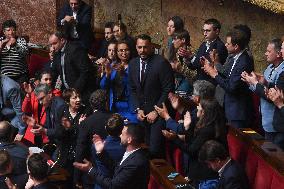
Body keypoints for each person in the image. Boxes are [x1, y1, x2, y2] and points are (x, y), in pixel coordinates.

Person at [128, 34, 174, 158]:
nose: (142, 50)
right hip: (142, 115)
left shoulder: (161, 63)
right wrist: (138, 109)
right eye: (139, 47)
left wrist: (156, 111)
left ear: (151, 47)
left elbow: (168, 89)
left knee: (155, 150)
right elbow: (132, 89)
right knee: (144, 146)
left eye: (145, 47)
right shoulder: (133, 63)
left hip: (158, 114)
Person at [202, 29, 254, 128]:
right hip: (229, 107)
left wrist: (214, 74)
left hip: (238, 112)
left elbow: (231, 86)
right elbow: (227, 75)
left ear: (236, 46)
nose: (225, 45)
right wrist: (212, 69)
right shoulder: (235, 57)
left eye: (228, 43)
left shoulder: (243, 62)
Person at [73, 123, 150, 189]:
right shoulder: (132, 154)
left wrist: (90, 169)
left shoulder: (135, 163)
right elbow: (117, 168)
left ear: (129, 140)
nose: (120, 136)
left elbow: (113, 186)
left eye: (122, 134)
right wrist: (101, 152)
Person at [241, 38, 284, 146]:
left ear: (278, 53)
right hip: (264, 115)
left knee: (273, 154)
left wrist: (255, 83)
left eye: (269, 51)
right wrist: (251, 82)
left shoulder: (282, 71)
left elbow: (272, 96)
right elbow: (264, 88)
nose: (265, 54)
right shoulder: (269, 67)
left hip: (275, 119)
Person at [74, 89, 112, 188]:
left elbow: (80, 150)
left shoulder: (87, 123)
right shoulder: (116, 118)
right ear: (107, 102)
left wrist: (77, 177)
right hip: (113, 169)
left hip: (92, 172)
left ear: (91, 105)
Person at [49, 31, 96, 105]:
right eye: (51, 45)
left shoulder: (76, 49)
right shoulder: (57, 53)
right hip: (68, 93)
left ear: (62, 40)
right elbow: (54, 72)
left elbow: (85, 72)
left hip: (82, 93)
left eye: (54, 43)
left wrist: (75, 91)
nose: (52, 47)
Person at [101, 41, 137, 122]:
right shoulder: (112, 65)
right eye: (121, 50)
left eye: (126, 50)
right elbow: (103, 85)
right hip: (115, 106)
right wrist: (107, 74)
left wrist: (123, 73)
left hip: (130, 106)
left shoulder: (135, 65)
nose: (124, 52)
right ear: (117, 52)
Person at [22, 71, 61, 146]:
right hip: (33, 129)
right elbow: (24, 110)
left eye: (50, 79)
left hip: (45, 131)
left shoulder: (56, 94)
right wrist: (28, 95)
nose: (48, 82)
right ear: (39, 81)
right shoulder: (34, 93)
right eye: (46, 79)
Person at [188, 18, 228, 84]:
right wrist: (188, 58)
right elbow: (195, 66)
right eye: (204, 30)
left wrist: (191, 57)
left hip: (210, 84)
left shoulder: (220, 47)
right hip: (199, 82)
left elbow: (207, 68)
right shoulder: (203, 45)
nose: (204, 33)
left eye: (208, 31)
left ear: (217, 31)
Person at [91, 113, 125, 189]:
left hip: (101, 183)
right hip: (120, 183)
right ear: (122, 129)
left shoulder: (96, 146)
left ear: (105, 128)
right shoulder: (126, 147)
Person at [0, 19, 29, 83]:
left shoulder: (21, 40)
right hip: (4, 76)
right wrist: (1, 47)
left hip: (20, 75)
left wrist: (16, 45)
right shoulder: (0, 41)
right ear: (4, 32)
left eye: (13, 30)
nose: (11, 32)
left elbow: (25, 54)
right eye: (8, 30)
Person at [0, 74, 26, 141]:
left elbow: (20, 111)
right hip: (4, 113)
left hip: (15, 116)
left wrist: (21, 132)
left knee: (5, 134)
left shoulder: (11, 87)